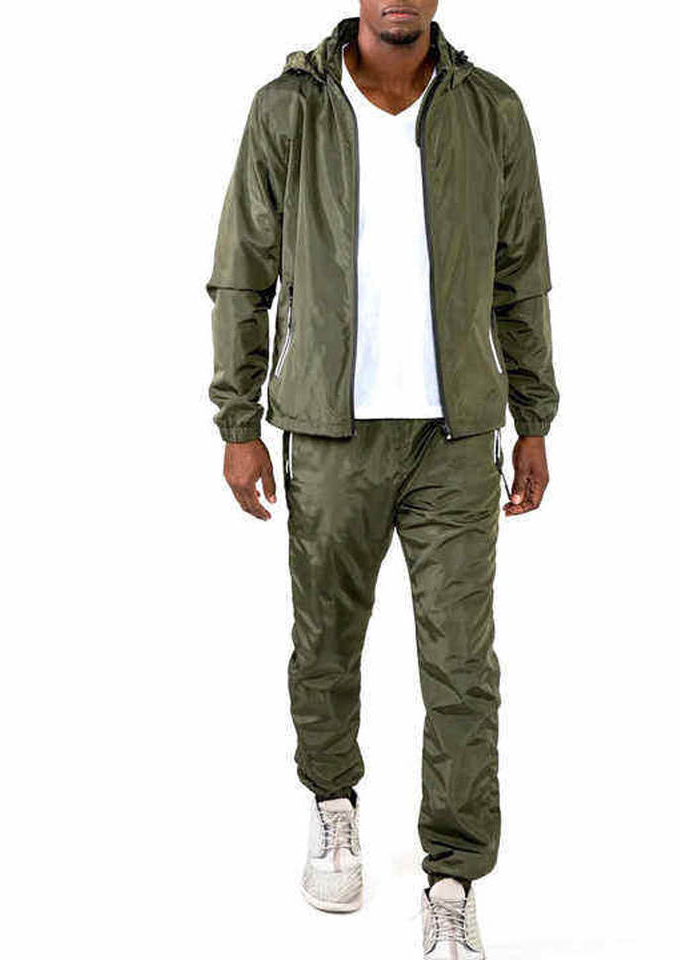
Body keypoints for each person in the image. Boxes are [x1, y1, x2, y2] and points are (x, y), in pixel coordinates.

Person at [206, 3, 557, 956]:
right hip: (328, 431)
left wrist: (534, 415)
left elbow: (521, 274)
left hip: (456, 436)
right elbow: (243, 271)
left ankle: (452, 879)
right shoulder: (289, 108)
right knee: (325, 644)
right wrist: (238, 421)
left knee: (462, 666)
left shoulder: (491, 110)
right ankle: (333, 803)